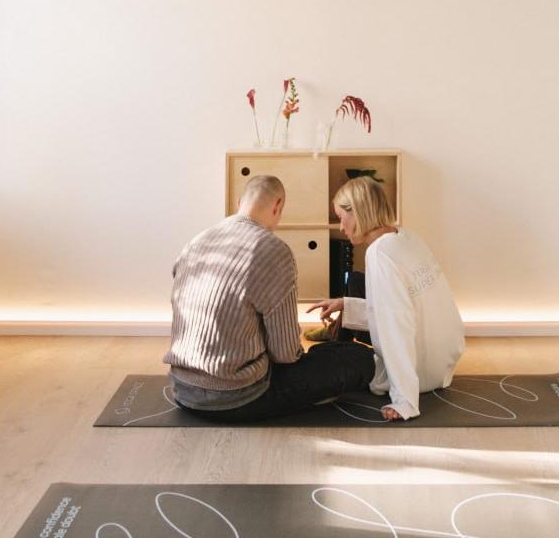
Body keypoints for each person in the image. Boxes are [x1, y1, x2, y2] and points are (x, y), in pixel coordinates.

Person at [164, 174, 374, 422]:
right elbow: (285, 354)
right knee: (359, 358)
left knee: (327, 352)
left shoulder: (197, 241)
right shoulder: (273, 250)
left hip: (183, 389)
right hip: (236, 396)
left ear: (240, 202)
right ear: (278, 206)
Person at [307, 176, 465, 421]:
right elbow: (402, 307)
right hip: (441, 364)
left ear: (357, 211)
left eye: (341, 217)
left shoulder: (379, 252)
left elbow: (396, 324)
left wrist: (404, 401)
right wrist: (345, 305)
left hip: (419, 370)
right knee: (356, 290)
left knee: (326, 355)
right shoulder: (408, 238)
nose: (341, 227)